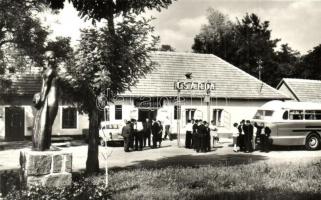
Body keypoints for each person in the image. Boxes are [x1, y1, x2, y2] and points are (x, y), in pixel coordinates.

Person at [32, 51, 58, 151]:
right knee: (48, 124)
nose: (54, 59)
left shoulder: (48, 71)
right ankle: (47, 145)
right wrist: (41, 100)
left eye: (54, 57)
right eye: (51, 58)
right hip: (51, 100)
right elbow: (45, 87)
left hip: (51, 99)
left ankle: (45, 144)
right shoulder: (50, 71)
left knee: (47, 123)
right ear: (47, 59)